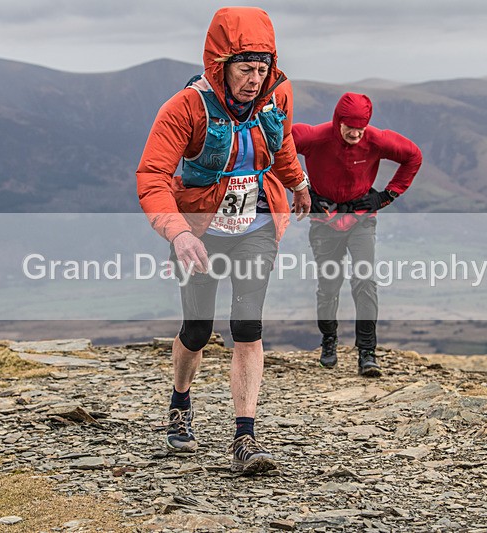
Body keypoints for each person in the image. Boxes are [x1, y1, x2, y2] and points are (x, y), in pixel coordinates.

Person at [136, 7, 310, 473]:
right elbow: (153, 176)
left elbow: (283, 142)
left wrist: (297, 183)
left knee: (247, 328)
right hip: (199, 231)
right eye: (245, 69)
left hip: (256, 227)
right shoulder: (185, 108)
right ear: (220, 67)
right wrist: (176, 232)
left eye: (262, 69)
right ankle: (180, 403)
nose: (255, 79)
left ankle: (245, 437)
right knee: (197, 330)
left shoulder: (276, 95)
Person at [293, 92, 422, 377]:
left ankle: (367, 353)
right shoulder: (314, 137)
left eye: (360, 127)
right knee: (329, 285)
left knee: (364, 281)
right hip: (324, 220)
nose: (355, 133)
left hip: (361, 219)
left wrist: (386, 196)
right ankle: (329, 340)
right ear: (338, 121)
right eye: (348, 126)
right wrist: (300, 189)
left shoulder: (376, 140)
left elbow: (413, 156)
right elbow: (274, 151)